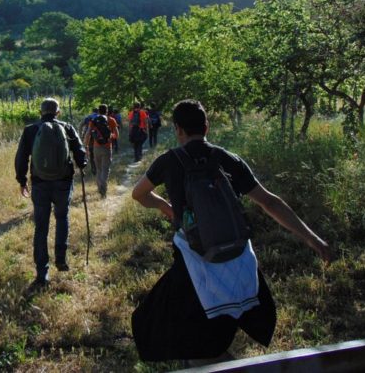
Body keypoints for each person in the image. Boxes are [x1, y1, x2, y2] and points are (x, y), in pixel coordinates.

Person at [131, 99, 332, 362]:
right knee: (210, 337)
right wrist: (315, 240)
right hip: (239, 264)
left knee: (176, 335)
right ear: (207, 126)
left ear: (178, 129)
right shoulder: (227, 158)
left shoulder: (168, 161)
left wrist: (167, 208)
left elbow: (139, 194)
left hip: (193, 266)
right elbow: (270, 202)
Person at [15, 98, 87, 288]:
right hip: (63, 182)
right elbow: (80, 151)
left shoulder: (31, 130)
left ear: (41, 112)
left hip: (40, 184)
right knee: (62, 217)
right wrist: (82, 163)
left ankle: (42, 273)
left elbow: (21, 156)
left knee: (41, 226)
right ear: (58, 112)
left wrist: (22, 180)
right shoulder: (67, 127)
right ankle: (61, 258)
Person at [84, 104, 119, 198]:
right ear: (107, 111)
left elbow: (88, 133)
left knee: (98, 169)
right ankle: (103, 188)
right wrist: (110, 136)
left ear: (98, 111)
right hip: (107, 147)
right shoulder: (111, 120)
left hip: (96, 147)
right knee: (105, 169)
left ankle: (100, 188)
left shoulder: (93, 120)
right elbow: (116, 135)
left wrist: (86, 146)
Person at [80, 108, 99, 174]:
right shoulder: (101, 117)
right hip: (98, 138)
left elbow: (81, 125)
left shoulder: (88, 117)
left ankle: (93, 169)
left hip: (89, 137)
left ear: (92, 111)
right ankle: (98, 168)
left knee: (91, 153)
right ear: (98, 111)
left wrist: (81, 134)